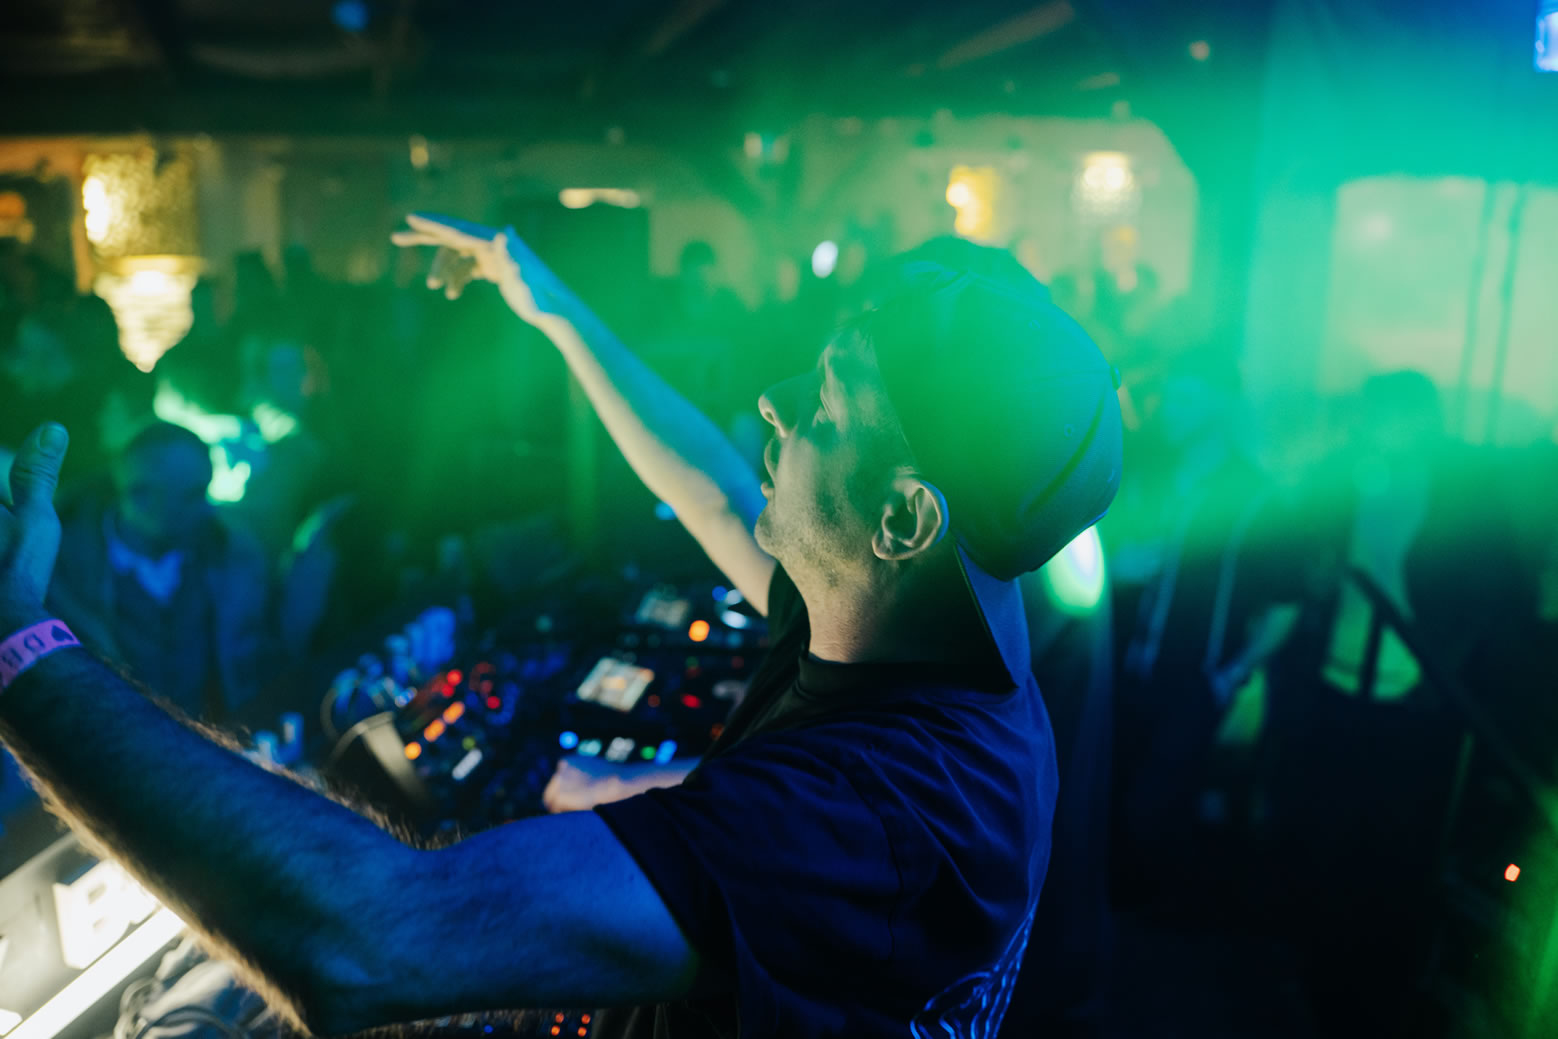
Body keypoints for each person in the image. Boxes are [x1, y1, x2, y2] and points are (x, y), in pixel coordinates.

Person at [0, 211, 1121, 1038]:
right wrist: (553, 308)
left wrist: (21, 649)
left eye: (827, 403)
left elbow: (367, 936)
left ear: (903, 516)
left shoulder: (864, 815)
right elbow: (718, 493)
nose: (775, 402)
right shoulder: (924, 635)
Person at [45, 421, 278, 722]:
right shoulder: (60, 571)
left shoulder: (233, 558)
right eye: (193, 495)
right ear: (140, 495)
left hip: (212, 738)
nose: (207, 507)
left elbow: (261, 660)